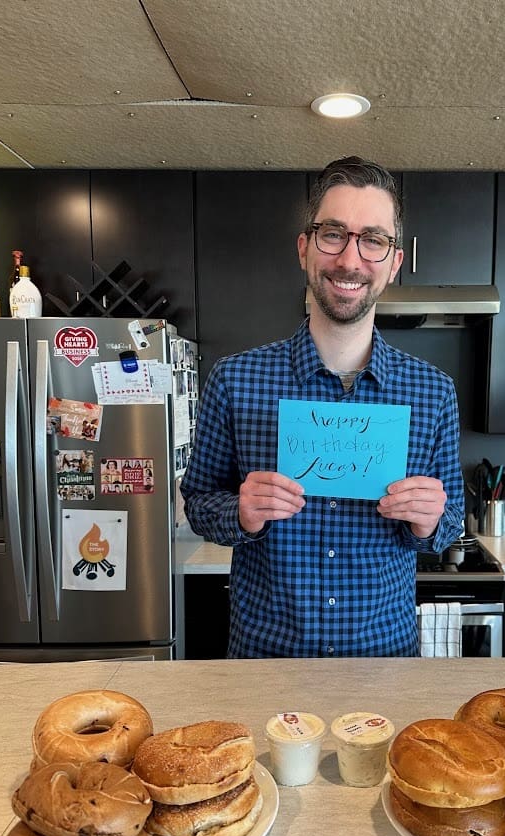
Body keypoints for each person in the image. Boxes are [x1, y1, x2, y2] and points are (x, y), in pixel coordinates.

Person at [181, 155, 465, 658]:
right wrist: (240, 511)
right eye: (333, 234)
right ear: (304, 249)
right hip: (267, 660)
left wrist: (429, 520)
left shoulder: (433, 392)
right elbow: (199, 504)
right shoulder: (235, 379)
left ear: (394, 263)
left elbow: (451, 523)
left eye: (373, 240)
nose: (350, 260)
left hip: (384, 661)